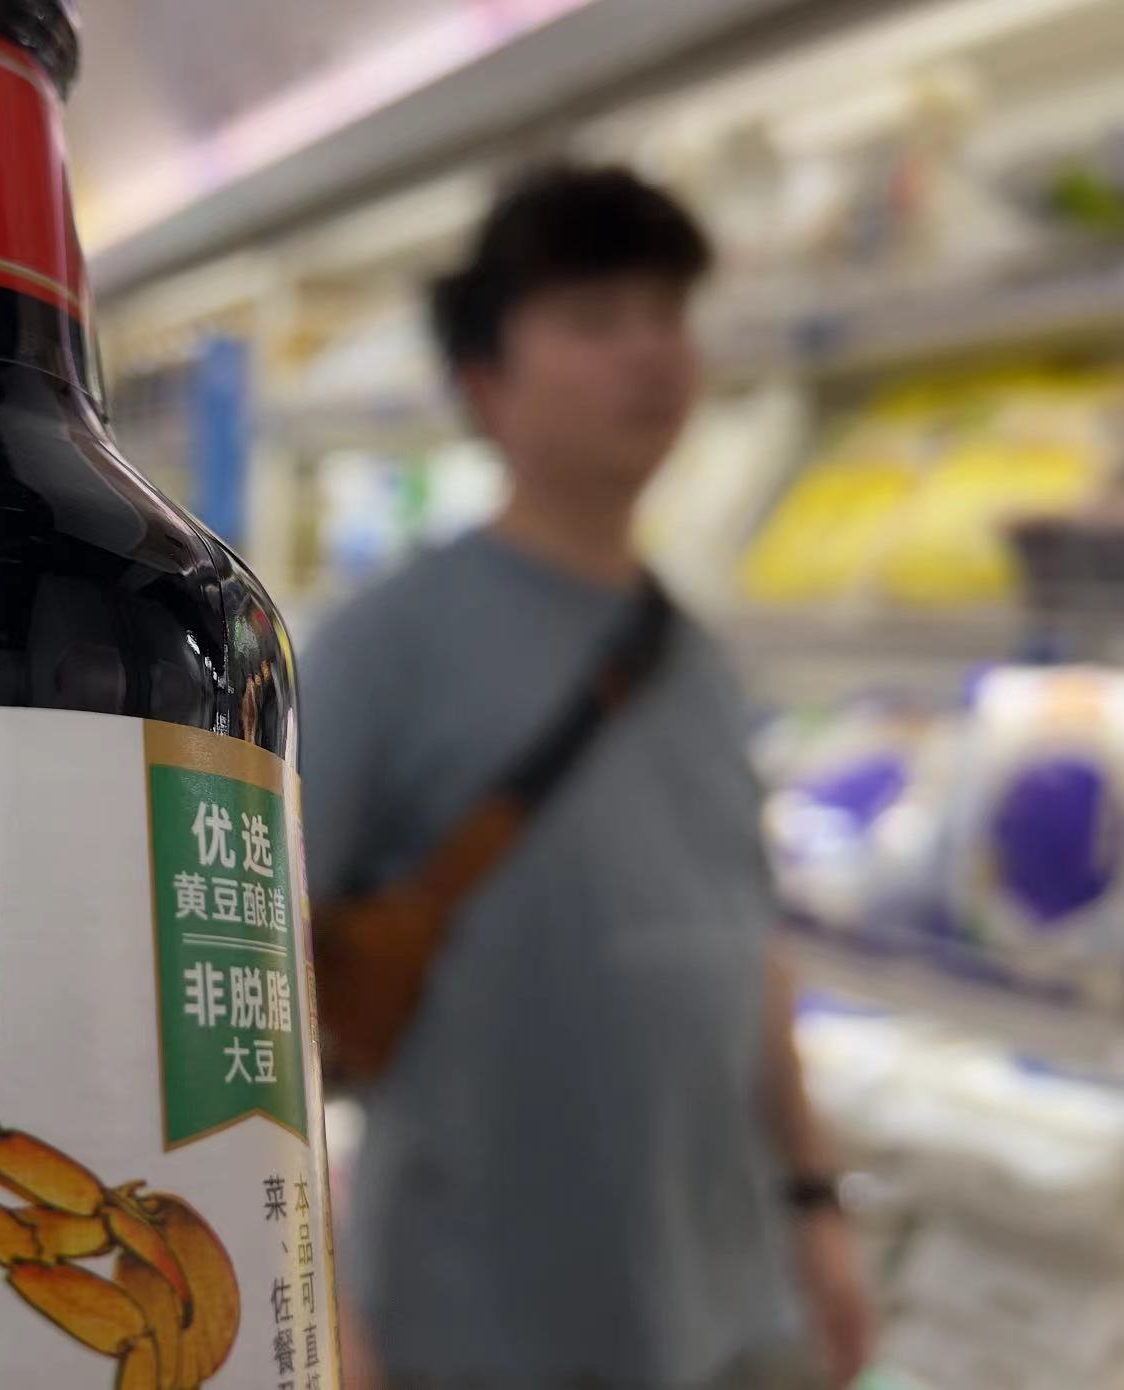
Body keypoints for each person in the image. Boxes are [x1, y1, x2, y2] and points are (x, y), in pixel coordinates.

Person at [303, 165, 876, 1390]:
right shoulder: (382, 644)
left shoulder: (698, 657)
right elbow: (258, 977)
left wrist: (814, 1202)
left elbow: (749, 946)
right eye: (593, 317)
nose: (650, 351)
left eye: (666, 311)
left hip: (733, 1302)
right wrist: (314, 1300)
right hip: (476, 1323)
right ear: (484, 382)